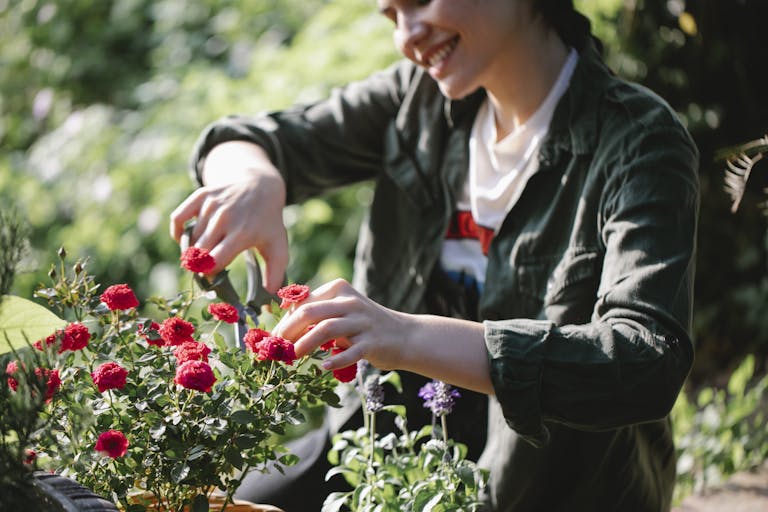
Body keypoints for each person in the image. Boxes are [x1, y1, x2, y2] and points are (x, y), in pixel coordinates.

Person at [170, 0, 699, 510]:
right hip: (377, 453)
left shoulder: (637, 139)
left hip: (547, 487)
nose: (407, 37)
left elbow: (643, 361)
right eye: (392, 16)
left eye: (421, 2)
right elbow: (247, 139)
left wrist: (403, 336)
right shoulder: (415, 99)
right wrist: (253, 181)